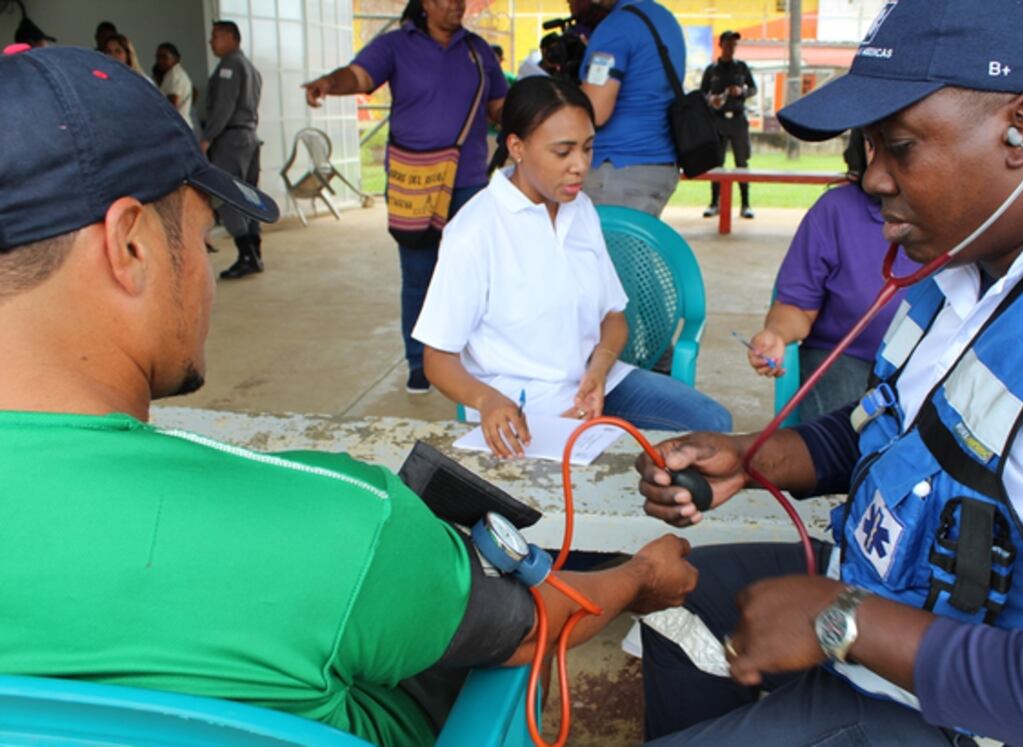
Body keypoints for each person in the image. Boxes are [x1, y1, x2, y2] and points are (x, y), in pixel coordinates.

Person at [0, 45, 699, 747]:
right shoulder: (341, 521)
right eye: (209, 238)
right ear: (131, 249)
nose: (211, 277)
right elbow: (534, 622)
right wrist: (640, 575)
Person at [634, 0, 1023, 744]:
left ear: (1021, 128)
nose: (871, 179)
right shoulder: (975, 249)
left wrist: (848, 621)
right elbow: (903, 424)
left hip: (979, 713)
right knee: (678, 603)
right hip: (895, 600)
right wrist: (754, 456)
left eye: (899, 146)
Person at [414, 77, 732, 457]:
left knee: (713, 426)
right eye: (563, 152)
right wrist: (485, 401)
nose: (580, 166)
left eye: (588, 148)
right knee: (563, 494)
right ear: (517, 147)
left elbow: (614, 317)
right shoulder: (475, 231)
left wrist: (597, 374)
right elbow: (437, 359)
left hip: (596, 384)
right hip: (523, 404)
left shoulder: (579, 210)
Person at [303, 0, 507, 395]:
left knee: (480, 275)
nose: (457, 6)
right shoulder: (396, 45)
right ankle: (420, 364)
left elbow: (500, 106)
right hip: (413, 183)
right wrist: (330, 83)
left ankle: (475, 360)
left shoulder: (477, 50)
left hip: (467, 182)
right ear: (427, 4)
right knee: (418, 274)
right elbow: (359, 76)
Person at [746, 129, 918, 422]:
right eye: (873, 145)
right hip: (844, 359)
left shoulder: (970, 218)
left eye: (900, 146)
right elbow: (797, 306)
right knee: (845, 437)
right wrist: (776, 334)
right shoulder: (835, 211)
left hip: (927, 367)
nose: (882, 165)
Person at [578, 0, 685, 218]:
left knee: (609, 251)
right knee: (630, 251)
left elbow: (596, 112)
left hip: (617, 168)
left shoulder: (616, 26)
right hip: (658, 164)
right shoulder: (664, 19)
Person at [202, 20, 265, 280]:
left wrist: (207, 137)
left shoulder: (229, 66)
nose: (211, 41)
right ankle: (255, 252)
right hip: (249, 136)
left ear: (230, 38)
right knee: (249, 196)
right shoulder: (250, 67)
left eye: (215, 36)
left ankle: (246, 254)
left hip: (231, 139)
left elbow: (224, 106)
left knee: (227, 195)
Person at [701, 31, 757, 220]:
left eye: (734, 45)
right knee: (716, 163)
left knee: (742, 162)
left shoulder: (741, 68)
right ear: (721, 45)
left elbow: (753, 89)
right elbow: (702, 94)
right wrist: (711, 99)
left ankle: (745, 204)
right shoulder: (712, 69)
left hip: (738, 120)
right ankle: (714, 203)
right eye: (729, 44)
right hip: (717, 120)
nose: (732, 48)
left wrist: (741, 91)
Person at [155, 42, 193, 124]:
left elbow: (171, 105)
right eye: (158, 57)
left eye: (164, 57)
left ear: (175, 58)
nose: (160, 61)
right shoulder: (172, 74)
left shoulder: (174, 75)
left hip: (177, 127)